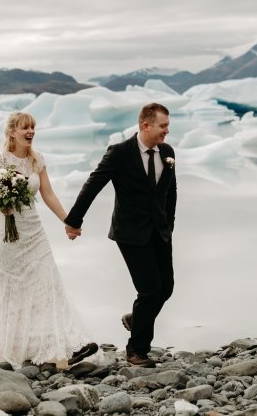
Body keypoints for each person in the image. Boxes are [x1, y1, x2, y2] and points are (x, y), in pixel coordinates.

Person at [64, 102, 177, 368]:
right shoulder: (119, 153)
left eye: (167, 126)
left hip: (160, 231)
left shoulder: (168, 152)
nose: (166, 132)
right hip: (130, 232)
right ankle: (136, 350)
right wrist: (74, 220)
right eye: (163, 126)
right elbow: (93, 184)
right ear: (145, 125)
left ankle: (136, 320)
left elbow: (171, 192)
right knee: (149, 290)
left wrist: (169, 224)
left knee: (166, 288)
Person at [0, 111, 98, 366]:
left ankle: (65, 344)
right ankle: (16, 347)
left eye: (33, 127)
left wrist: (69, 221)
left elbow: (48, 195)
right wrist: (0, 204)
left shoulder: (37, 160)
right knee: (13, 289)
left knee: (48, 283)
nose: (30, 131)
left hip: (35, 232)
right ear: (12, 132)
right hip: (7, 237)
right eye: (25, 127)